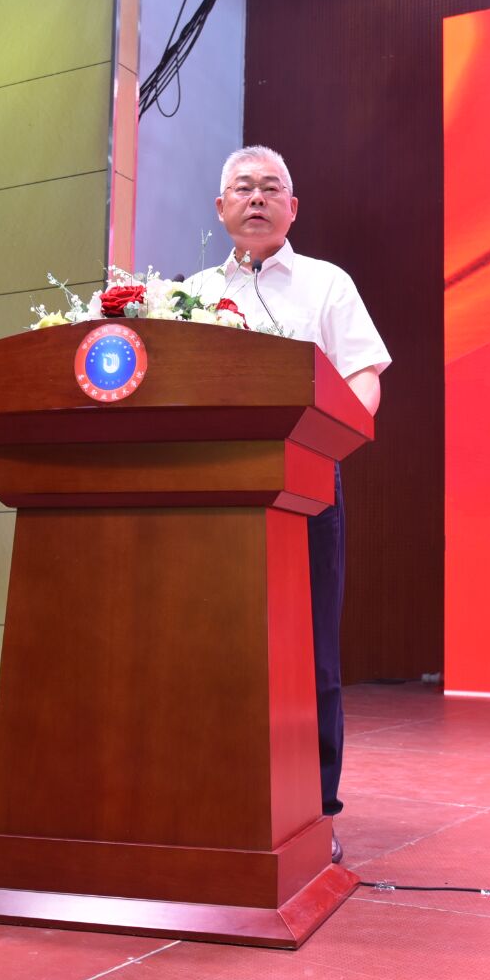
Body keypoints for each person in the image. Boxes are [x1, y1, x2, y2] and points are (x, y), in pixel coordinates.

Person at [188, 145, 389, 865]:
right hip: (211, 494)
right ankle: (216, 795)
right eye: (242, 188)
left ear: (292, 207)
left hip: (306, 486)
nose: (257, 198)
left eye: (271, 188)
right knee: (215, 645)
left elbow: (364, 378)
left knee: (310, 654)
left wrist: (326, 445)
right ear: (220, 207)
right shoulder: (191, 294)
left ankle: (315, 808)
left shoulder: (326, 283)